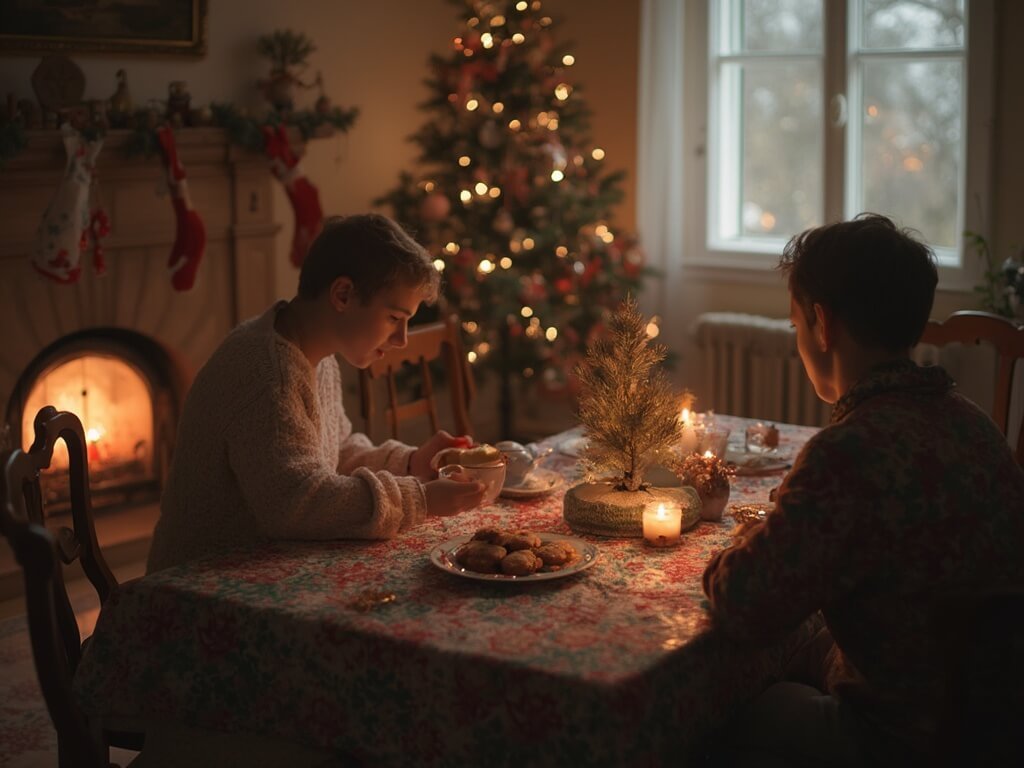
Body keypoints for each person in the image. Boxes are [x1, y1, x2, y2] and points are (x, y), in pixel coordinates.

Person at [701, 214, 1024, 766]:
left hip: (902, 738)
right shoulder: (972, 422)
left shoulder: (847, 452)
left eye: (795, 326)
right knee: (803, 646)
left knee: (733, 713)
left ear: (822, 324)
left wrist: (744, 542)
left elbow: (744, 604)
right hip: (992, 719)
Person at [148, 214, 485, 572]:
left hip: (270, 568)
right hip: (199, 584)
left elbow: (333, 452)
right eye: (393, 318)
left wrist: (413, 462)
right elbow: (296, 502)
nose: (402, 340)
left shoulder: (316, 354)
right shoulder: (266, 373)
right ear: (342, 294)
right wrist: (419, 499)